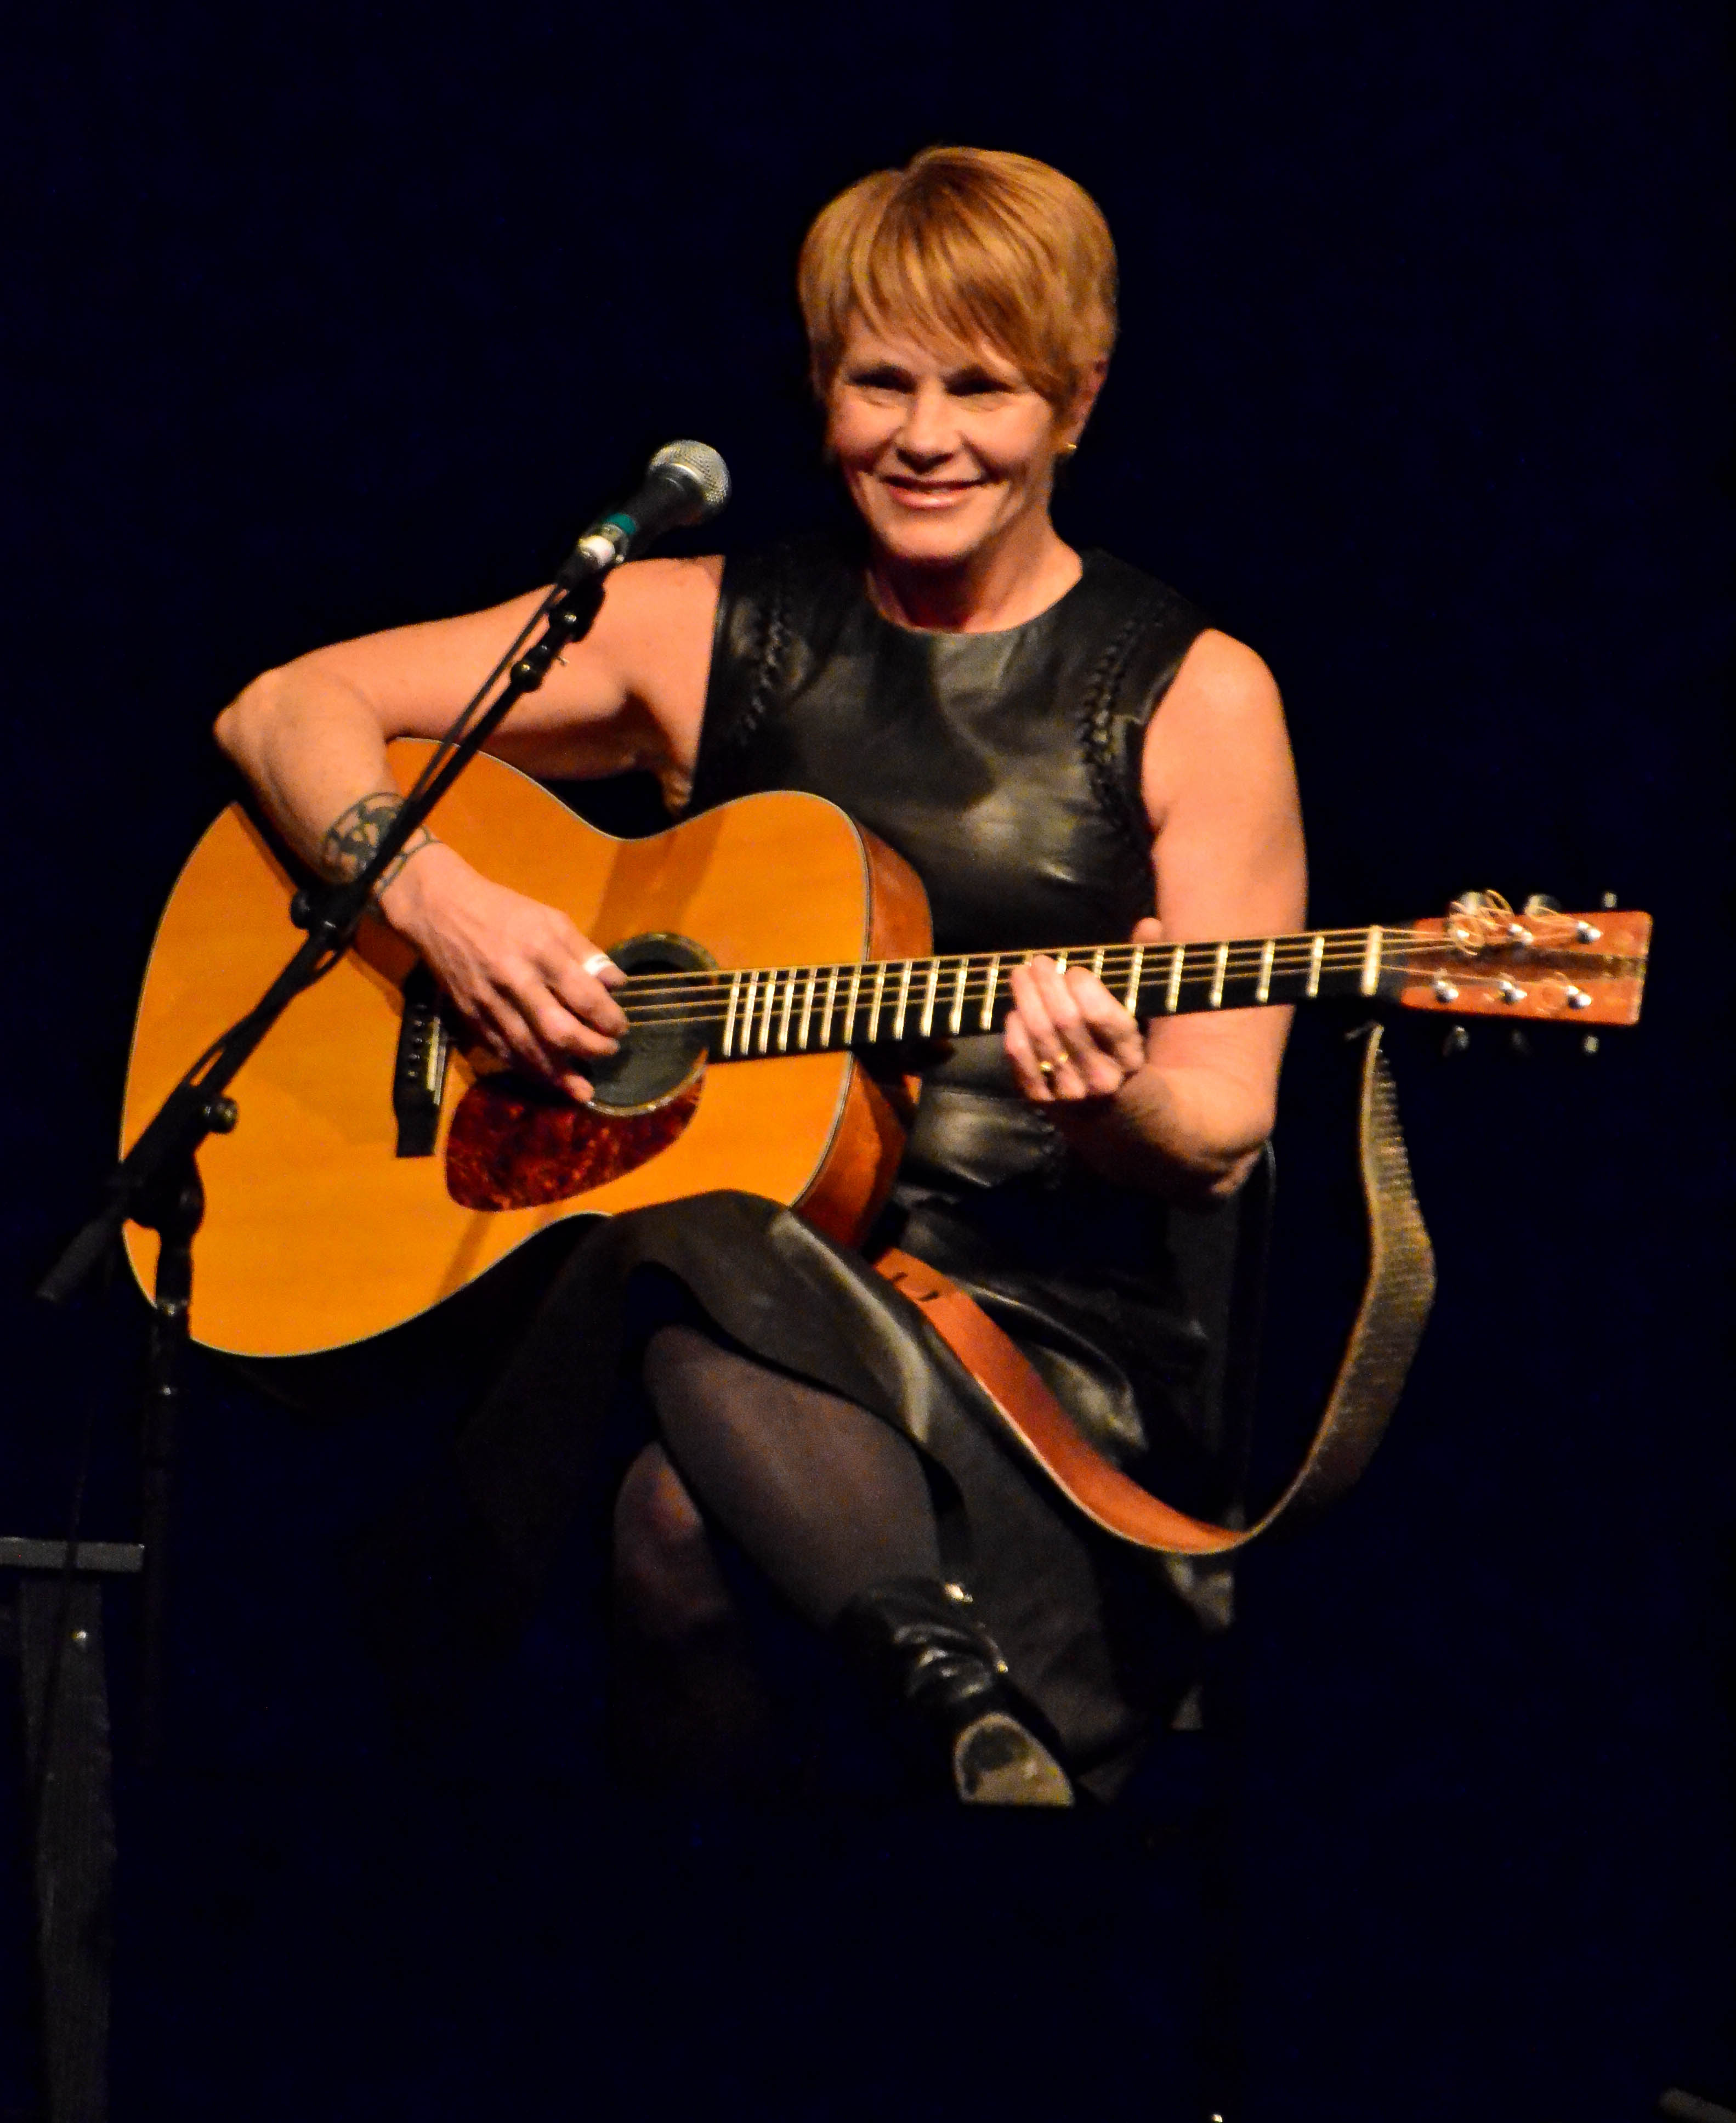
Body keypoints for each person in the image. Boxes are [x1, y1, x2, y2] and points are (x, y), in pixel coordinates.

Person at [215, 146, 1306, 1805]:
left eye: (983, 388)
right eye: (882, 380)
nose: (925, 436)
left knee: (673, 1487)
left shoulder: (1194, 695)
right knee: (708, 1248)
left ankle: (841, 1783)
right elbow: (284, 707)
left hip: (1024, 1353)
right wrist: (443, 907)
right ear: (819, 386)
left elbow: (1220, 1125)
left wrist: (1114, 1098)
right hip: (696, 1293)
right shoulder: (699, 625)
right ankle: (936, 1728)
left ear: (1076, 401)